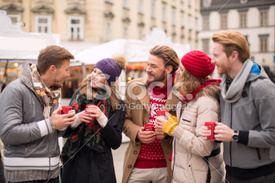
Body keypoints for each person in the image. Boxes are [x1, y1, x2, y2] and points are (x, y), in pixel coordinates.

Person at [203, 30, 275, 182]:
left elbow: (272, 135)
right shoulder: (225, 86)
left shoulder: (262, 87)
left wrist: (235, 135)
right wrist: (217, 132)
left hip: (259, 175)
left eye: (216, 55)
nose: (212, 60)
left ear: (234, 56)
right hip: (231, 173)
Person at [0, 45, 76, 183]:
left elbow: (52, 132)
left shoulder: (52, 93)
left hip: (52, 174)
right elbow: (8, 134)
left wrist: (65, 122)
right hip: (24, 177)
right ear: (52, 69)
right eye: (66, 69)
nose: (68, 74)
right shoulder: (15, 90)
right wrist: (51, 124)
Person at [155, 50, 225, 183]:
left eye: (181, 69)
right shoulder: (188, 96)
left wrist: (174, 129)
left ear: (190, 75)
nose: (177, 72)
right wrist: (175, 124)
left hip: (200, 176)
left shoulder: (207, 102)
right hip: (186, 175)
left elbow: (204, 148)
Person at [61, 55, 126, 183]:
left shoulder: (117, 104)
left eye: (101, 74)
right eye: (94, 71)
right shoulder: (79, 94)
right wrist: (77, 118)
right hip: (75, 160)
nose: (94, 76)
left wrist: (102, 120)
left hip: (100, 165)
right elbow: (64, 132)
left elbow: (116, 143)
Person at [122, 45, 180, 183]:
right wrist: (137, 133)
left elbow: (186, 127)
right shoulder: (134, 87)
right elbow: (124, 120)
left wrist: (168, 132)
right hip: (137, 166)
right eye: (148, 64)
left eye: (153, 66)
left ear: (168, 69)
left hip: (167, 168)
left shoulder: (181, 92)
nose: (148, 69)